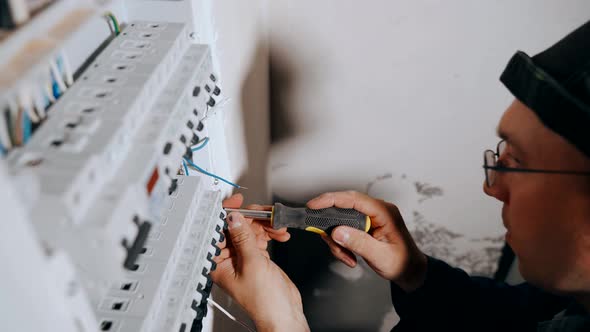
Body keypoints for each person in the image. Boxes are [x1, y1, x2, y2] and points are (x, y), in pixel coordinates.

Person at [211, 20, 590, 332]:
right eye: (499, 158)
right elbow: (510, 317)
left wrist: (283, 323)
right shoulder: (568, 302)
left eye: (517, 163)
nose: (492, 188)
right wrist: (415, 272)